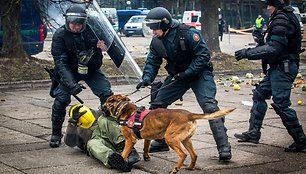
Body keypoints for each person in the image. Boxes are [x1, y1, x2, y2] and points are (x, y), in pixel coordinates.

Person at [136, 7, 232, 161]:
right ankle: (161, 141)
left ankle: (224, 147)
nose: (153, 32)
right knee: (157, 105)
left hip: (199, 73)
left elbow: (203, 55)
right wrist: (147, 77)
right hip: (178, 76)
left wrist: (188, 72)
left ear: (165, 24)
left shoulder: (187, 33)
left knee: (209, 106)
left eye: (155, 28)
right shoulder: (157, 41)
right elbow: (153, 61)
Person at [234, 0, 306, 152]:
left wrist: (247, 53)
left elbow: (274, 48)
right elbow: (273, 44)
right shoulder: (282, 17)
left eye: (269, 5)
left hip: (283, 68)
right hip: (278, 67)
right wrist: (260, 40)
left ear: (277, 5)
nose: (267, 8)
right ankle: (253, 133)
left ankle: (301, 140)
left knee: (281, 104)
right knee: (259, 94)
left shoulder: (282, 18)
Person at [49, 4, 113, 148]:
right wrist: (71, 84)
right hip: (68, 71)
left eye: (79, 24)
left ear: (84, 23)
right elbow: (60, 63)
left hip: (90, 69)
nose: (76, 27)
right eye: (73, 24)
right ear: (67, 21)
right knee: (61, 100)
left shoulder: (92, 32)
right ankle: (56, 133)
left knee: (107, 95)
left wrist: (91, 60)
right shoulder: (60, 35)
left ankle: (108, 130)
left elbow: (99, 56)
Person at [65, 104, 140, 172]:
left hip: (114, 138)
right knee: (91, 144)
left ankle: (129, 151)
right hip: (100, 143)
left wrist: (109, 113)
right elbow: (69, 142)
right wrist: (72, 124)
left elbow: (118, 121)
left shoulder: (98, 113)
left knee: (104, 119)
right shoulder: (76, 127)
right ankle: (114, 160)